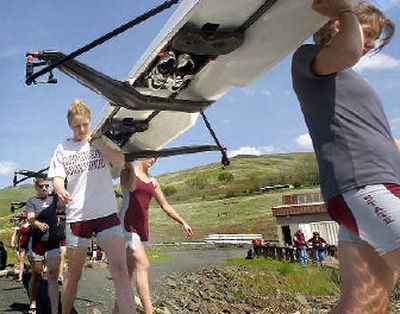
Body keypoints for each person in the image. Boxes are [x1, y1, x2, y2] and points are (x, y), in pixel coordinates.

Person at [292, 1, 399, 312]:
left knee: (365, 306)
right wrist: (344, 9)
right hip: (364, 188)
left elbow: (384, 140)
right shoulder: (308, 60)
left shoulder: (350, 81)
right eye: (368, 34)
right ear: (338, 26)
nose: (372, 45)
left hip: (375, 192)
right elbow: (349, 50)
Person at [47, 99, 135, 314]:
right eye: (77, 126)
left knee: (121, 270)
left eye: (85, 124)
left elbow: (121, 162)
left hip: (106, 213)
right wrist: (60, 189)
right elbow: (57, 177)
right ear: (70, 125)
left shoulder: (100, 139)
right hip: (78, 216)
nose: (82, 129)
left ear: (90, 121)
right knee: (74, 274)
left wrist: (100, 144)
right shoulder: (63, 148)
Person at [118, 159, 193, 314]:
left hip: (143, 229)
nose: (153, 160)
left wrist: (182, 222)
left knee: (129, 273)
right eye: (150, 156)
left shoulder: (154, 182)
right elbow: (130, 187)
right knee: (143, 265)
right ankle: (149, 311)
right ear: (142, 155)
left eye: (156, 157)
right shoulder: (126, 172)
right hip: (127, 225)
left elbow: (165, 206)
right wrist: (131, 167)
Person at [26, 177, 64, 314]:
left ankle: (53, 304)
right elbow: (30, 217)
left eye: (47, 186)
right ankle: (33, 301)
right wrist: (37, 224)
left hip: (53, 240)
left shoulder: (53, 199)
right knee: (37, 273)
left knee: (53, 274)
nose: (44, 189)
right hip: (37, 241)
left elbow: (62, 205)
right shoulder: (32, 201)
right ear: (36, 186)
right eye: (41, 186)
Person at [11, 211, 30, 282]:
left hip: (29, 245)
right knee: (21, 260)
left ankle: (37, 273)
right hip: (22, 245)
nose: (23, 219)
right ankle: (20, 276)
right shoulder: (19, 226)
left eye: (24, 218)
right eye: (22, 218)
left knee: (32, 259)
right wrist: (12, 242)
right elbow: (14, 235)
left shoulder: (30, 225)